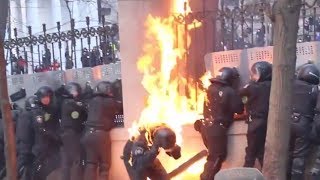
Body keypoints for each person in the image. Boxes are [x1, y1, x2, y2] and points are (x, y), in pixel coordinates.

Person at [194, 67, 244, 180]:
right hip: (217, 128)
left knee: (214, 155)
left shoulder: (209, 88)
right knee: (216, 157)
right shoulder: (229, 91)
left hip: (206, 127)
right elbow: (239, 109)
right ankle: (206, 178)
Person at [81, 81, 123, 180]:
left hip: (87, 135)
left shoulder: (92, 100)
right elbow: (122, 106)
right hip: (101, 136)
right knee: (104, 165)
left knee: (91, 164)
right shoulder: (110, 102)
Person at [288, 64, 319, 180]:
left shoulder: (291, 85)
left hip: (288, 123)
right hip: (304, 124)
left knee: (288, 153)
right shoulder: (314, 89)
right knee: (299, 156)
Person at [239, 61, 272, 168]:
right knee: (262, 152)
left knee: (250, 153)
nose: (252, 76)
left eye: (254, 73)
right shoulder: (272, 86)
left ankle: (245, 176)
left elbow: (241, 94)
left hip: (255, 123)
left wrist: (246, 102)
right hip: (267, 122)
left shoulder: (253, 87)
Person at [31, 86, 62, 180]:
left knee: (56, 164)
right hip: (42, 144)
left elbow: (56, 122)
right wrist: (53, 135)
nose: (46, 99)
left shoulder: (52, 108)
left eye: (47, 97)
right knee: (39, 168)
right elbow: (40, 128)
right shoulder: (37, 111)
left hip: (52, 144)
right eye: (43, 97)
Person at [60, 82, 87, 180]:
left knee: (67, 161)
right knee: (77, 160)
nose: (77, 93)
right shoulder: (70, 102)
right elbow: (84, 108)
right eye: (75, 91)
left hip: (67, 135)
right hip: (71, 134)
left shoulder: (65, 102)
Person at [16, 96, 39, 180]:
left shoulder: (26, 115)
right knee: (24, 169)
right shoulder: (26, 116)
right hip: (26, 149)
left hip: (27, 148)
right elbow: (24, 135)